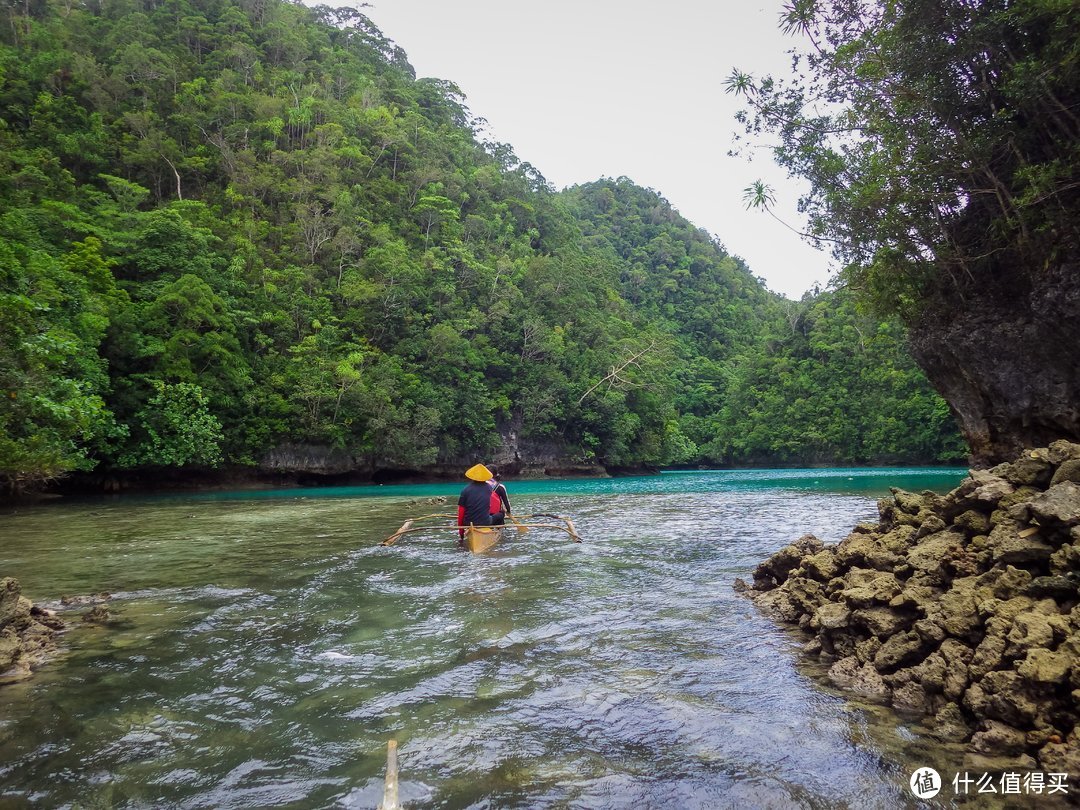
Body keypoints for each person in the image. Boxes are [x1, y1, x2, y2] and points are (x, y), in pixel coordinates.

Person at [457, 463, 495, 545]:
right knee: (500, 515)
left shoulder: (465, 490)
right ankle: (495, 532)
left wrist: (461, 533)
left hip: (468, 522)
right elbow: (490, 506)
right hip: (485, 522)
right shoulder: (489, 488)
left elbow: (461, 513)